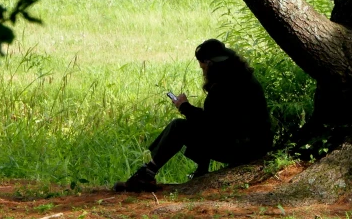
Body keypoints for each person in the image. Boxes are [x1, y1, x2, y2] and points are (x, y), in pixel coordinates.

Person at [114, 39, 273, 192]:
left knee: (179, 127)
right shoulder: (240, 77)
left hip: (243, 149)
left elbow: (211, 125)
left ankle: (147, 173)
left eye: (203, 68)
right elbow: (220, 122)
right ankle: (198, 171)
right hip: (255, 145)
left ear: (211, 65)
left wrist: (185, 107)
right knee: (192, 127)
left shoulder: (225, 87)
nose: (203, 72)